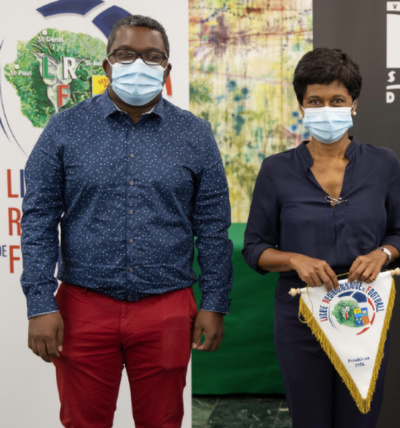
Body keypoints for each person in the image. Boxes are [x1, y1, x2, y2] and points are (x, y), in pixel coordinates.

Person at [20, 15, 232, 427]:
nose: (138, 64)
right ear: (106, 65)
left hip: (167, 308)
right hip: (83, 307)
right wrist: (39, 302)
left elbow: (212, 225)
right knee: (83, 421)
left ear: (167, 70)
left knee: (163, 420)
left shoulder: (195, 134)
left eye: (152, 57)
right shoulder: (65, 128)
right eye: (125, 54)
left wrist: (215, 302)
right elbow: (39, 219)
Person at [242, 47, 400, 428]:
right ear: (301, 107)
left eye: (337, 100)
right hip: (301, 320)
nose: (326, 108)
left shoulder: (383, 163)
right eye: (314, 101)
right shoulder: (276, 170)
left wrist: (381, 254)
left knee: (360, 420)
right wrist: (293, 260)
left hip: (365, 317)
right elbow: (254, 248)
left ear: (354, 104)